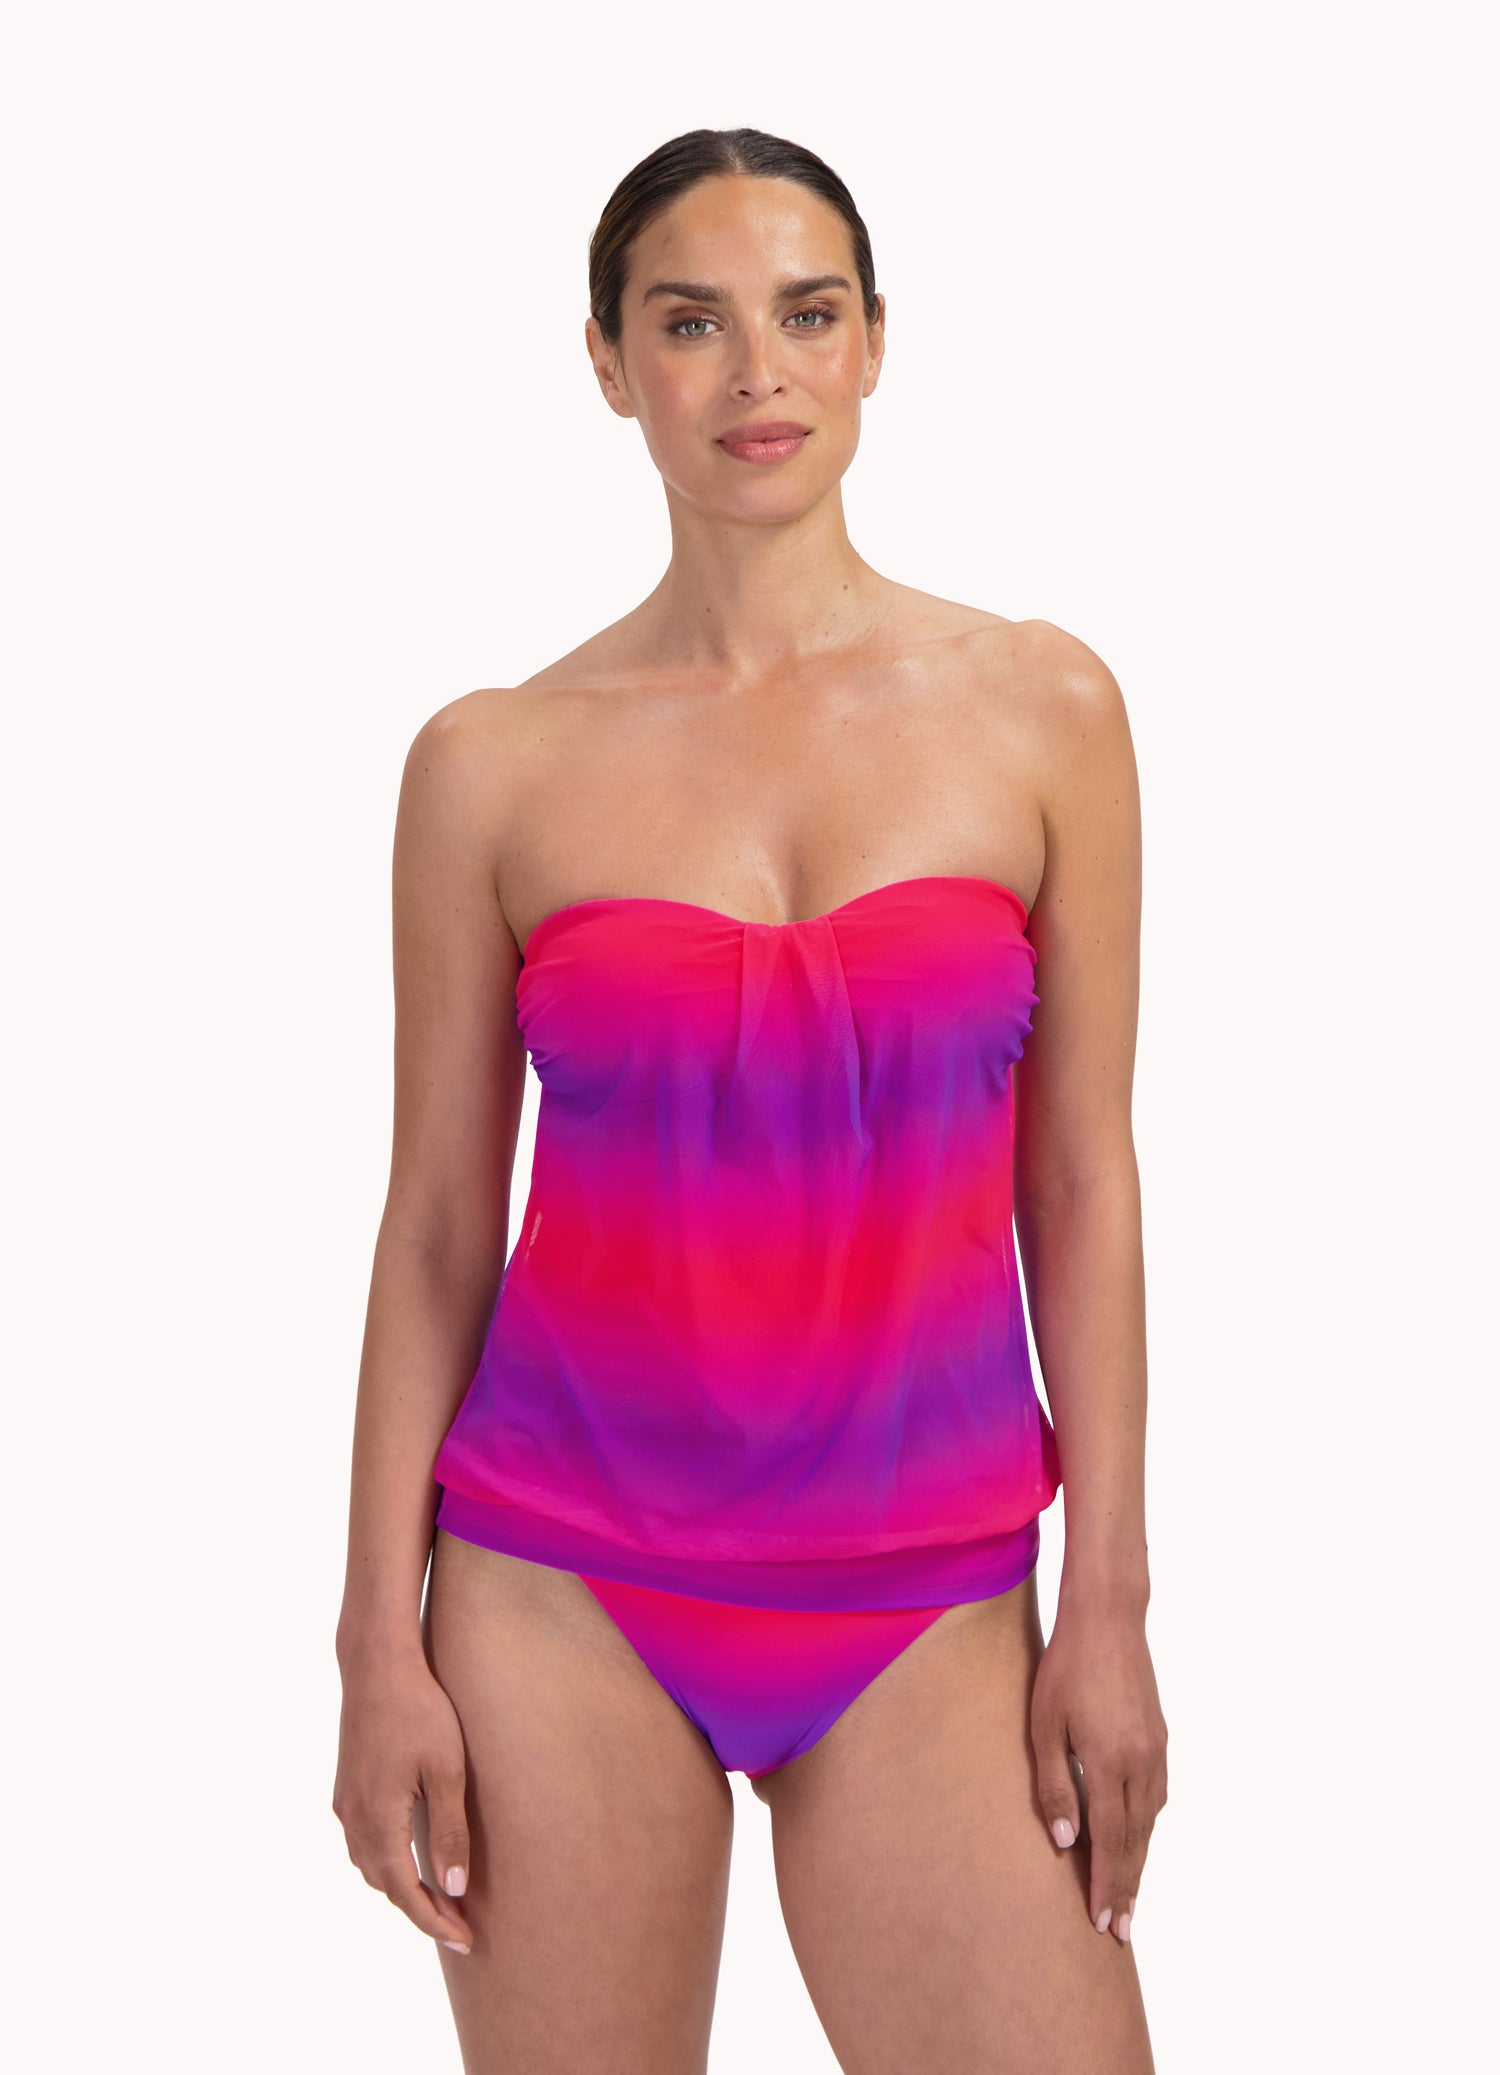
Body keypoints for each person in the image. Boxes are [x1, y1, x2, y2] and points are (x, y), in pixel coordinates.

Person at [333, 125, 1166, 2073]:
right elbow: (439, 1223)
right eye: (690, 322)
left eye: (805, 314)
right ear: (611, 364)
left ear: (875, 342)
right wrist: (376, 1636)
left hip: (932, 1588)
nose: (756, 372)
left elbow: (1083, 1181)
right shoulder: (492, 763)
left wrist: (1113, 1600)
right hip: (558, 1578)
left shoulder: (1043, 710)